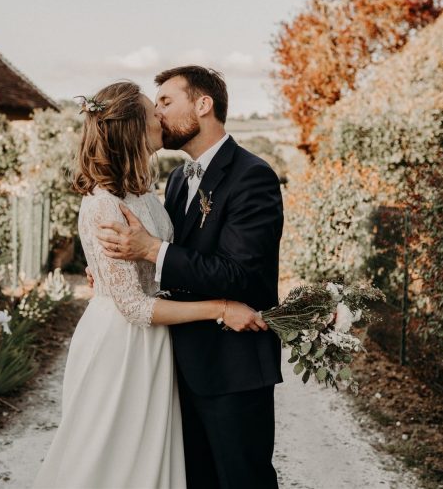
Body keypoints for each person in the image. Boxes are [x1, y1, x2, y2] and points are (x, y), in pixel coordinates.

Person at [32, 81, 267, 489]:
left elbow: (169, 258)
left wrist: (132, 266)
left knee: (151, 460)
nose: (160, 114)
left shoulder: (148, 190)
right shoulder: (108, 202)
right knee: (113, 459)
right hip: (123, 344)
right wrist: (219, 307)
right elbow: (135, 306)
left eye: (165, 103)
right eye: (152, 109)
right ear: (132, 128)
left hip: (157, 345)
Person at [93, 66, 284, 489]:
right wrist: (117, 271)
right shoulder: (178, 180)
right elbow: (172, 263)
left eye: (165, 102)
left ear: (203, 105)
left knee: (242, 480)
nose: (156, 114)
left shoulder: (252, 176)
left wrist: (149, 249)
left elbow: (239, 274)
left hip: (231, 365)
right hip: (174, 364)